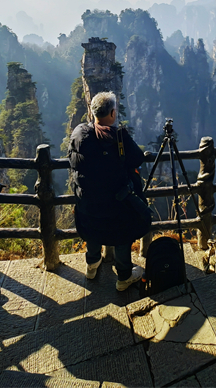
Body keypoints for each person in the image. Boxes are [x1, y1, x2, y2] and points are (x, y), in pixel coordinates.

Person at [69, 91, 147, 291]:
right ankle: (124, 277)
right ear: (112, 113)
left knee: (93, 229)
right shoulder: (119, 138)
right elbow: (138, 159)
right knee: (121, 234)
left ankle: (92, 266)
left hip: (87, 202)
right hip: (116, 204)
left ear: (92, 111)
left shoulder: (78, 133)